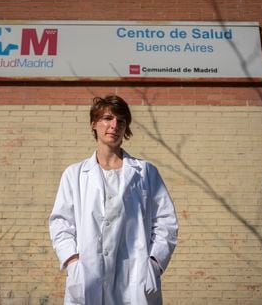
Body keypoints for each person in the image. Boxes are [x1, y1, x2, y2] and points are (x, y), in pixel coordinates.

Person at [49, 95, 178, 305]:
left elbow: (165, 222)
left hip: (135, 278)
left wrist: (154, 264)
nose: (114, 125)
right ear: (94, 123)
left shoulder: (145, 173)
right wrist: (73, 263)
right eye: (107, 118)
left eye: (121, 121)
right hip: (88, 277)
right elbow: (61, 224)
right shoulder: (74, 175)